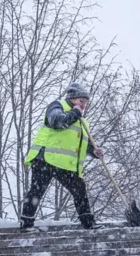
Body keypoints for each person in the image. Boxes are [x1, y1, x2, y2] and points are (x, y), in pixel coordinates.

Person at [21, 82, 104, 231]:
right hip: (45, 158)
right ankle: (26, 224)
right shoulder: (57, 106)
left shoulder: (82, 122)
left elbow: (83, 144)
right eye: (81, 101)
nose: (83, 105)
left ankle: (88, 223)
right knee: (37, 190)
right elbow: (58, 122)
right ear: (72, 98)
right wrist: (75, 113)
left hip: (64, 164)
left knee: (79, 188)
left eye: (85, 103)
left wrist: (94, 151)